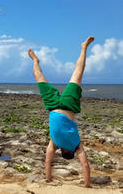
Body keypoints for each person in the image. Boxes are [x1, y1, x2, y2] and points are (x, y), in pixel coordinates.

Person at [28, 36, 94, 187]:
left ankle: (84, 47)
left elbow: (85, 165)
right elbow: (48, 161)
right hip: (54, 106)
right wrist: (48, 178)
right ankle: (35, 61)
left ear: (71, 152)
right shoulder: (55, 143)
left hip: (67, 106)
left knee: (78, 73)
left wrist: (87, 184)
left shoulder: (76, 145)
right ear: (63, 152)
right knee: (39, 77)